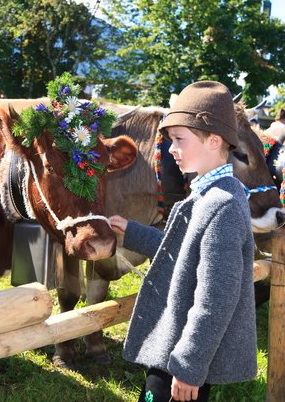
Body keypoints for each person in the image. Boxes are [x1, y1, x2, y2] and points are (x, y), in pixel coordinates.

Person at [109, 81, 257, 402]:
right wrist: (131, 231)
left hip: (181, 360)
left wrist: (189, 366)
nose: (171, 149)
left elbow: (216, 298)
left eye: (179, 139)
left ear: (213, 140)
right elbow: (182, 251)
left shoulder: (223, 205)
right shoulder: (207, 194)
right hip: (175, 349)